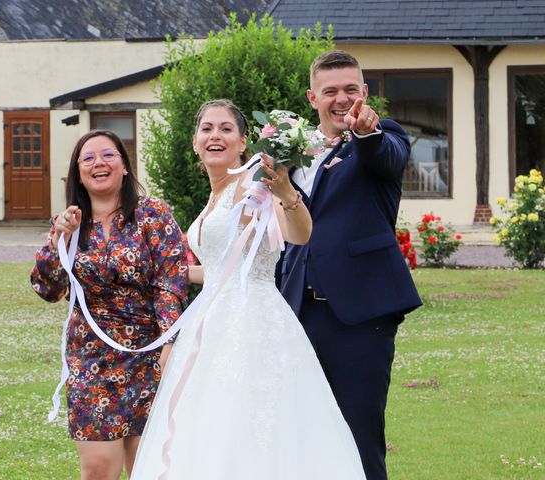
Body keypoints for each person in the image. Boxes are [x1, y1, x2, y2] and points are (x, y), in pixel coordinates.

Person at [131, 99, 366, 479]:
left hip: (254, 321)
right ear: (195, 142)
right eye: (207, 129)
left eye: (226, 129)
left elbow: (300, 234)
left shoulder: (255, 181)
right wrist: (167, 274)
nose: (215, 136)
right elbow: (222, 269)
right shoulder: (212, 197)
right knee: (209, 423)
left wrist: (288, 194)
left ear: (243, 142)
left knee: (252, 421)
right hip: (209, 326)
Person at [279, 50, 423, 479]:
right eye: (330, 91)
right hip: (294, 313)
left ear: (363, 93)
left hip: (359, 314)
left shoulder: (382, 136)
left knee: (358, 436)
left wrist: (367, 134)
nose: (341, 100)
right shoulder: (290, 150)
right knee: (299, 434)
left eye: (349, 90)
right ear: (312, 97)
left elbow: (389, 156)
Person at [30, 130, 188, 480]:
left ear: (125, 167)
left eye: (108, 155)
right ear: (78, 172)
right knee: (98, 467)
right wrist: (60, 238)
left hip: (148, 354)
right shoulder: (69, 222)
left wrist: (169, 341)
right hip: (90, 359)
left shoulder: (153, 214)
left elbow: (170, 281)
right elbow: (46, 288)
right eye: (88, 158)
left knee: (147, 465)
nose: (98, 163)